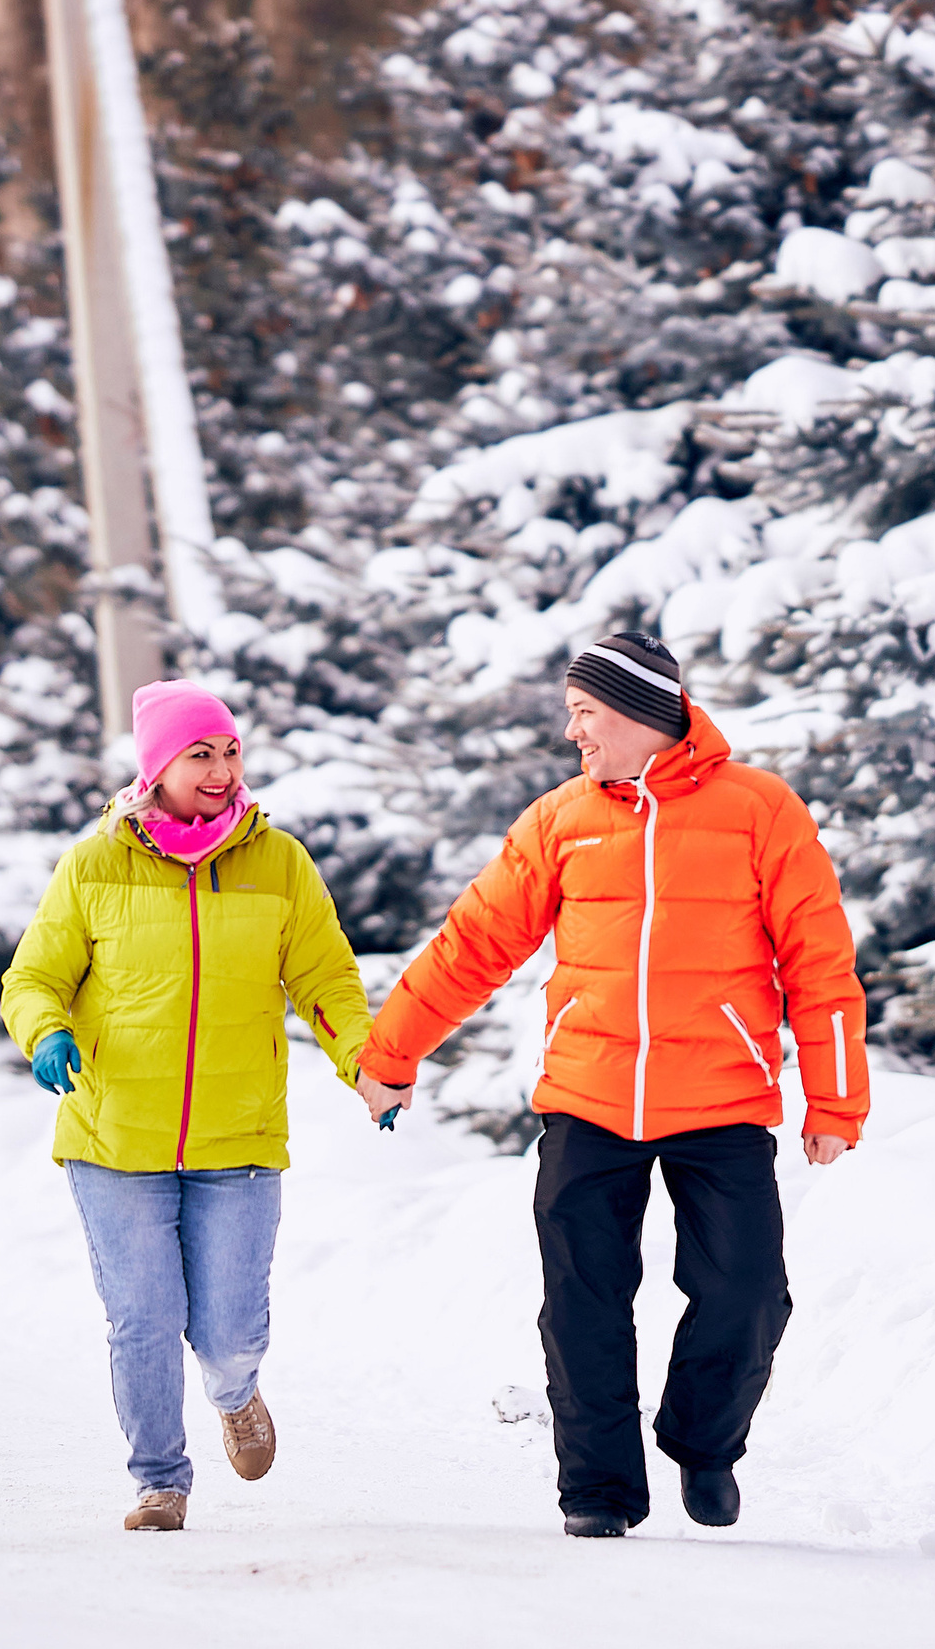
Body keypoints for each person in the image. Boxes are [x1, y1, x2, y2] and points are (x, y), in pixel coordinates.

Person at [357, 632, 870, 1538]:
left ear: (639, 714)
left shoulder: (761, 811)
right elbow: (473, 945)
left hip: (723, 1099)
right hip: (590, 1098)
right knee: (584, 1300)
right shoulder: (560, 819)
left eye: (585, 713)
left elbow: (820, 963)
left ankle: (705, 1444)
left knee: (750, 1290)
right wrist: (391, 1056)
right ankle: (597, 1488)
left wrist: (834, 1100)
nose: (573, 733)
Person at [0, 679, 373, 1533]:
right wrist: (45, 1032)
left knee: (231, 1328)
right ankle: (159, 1479)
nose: (220, 766)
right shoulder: (94, 863)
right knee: (144, 1317)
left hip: (237, 1134)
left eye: (229, 749)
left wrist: (363, 1059)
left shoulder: (279, 862)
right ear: (158, 767)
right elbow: (34, 976)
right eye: (199, 753)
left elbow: (325, 978)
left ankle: (235, 1389)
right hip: (113, 1133)